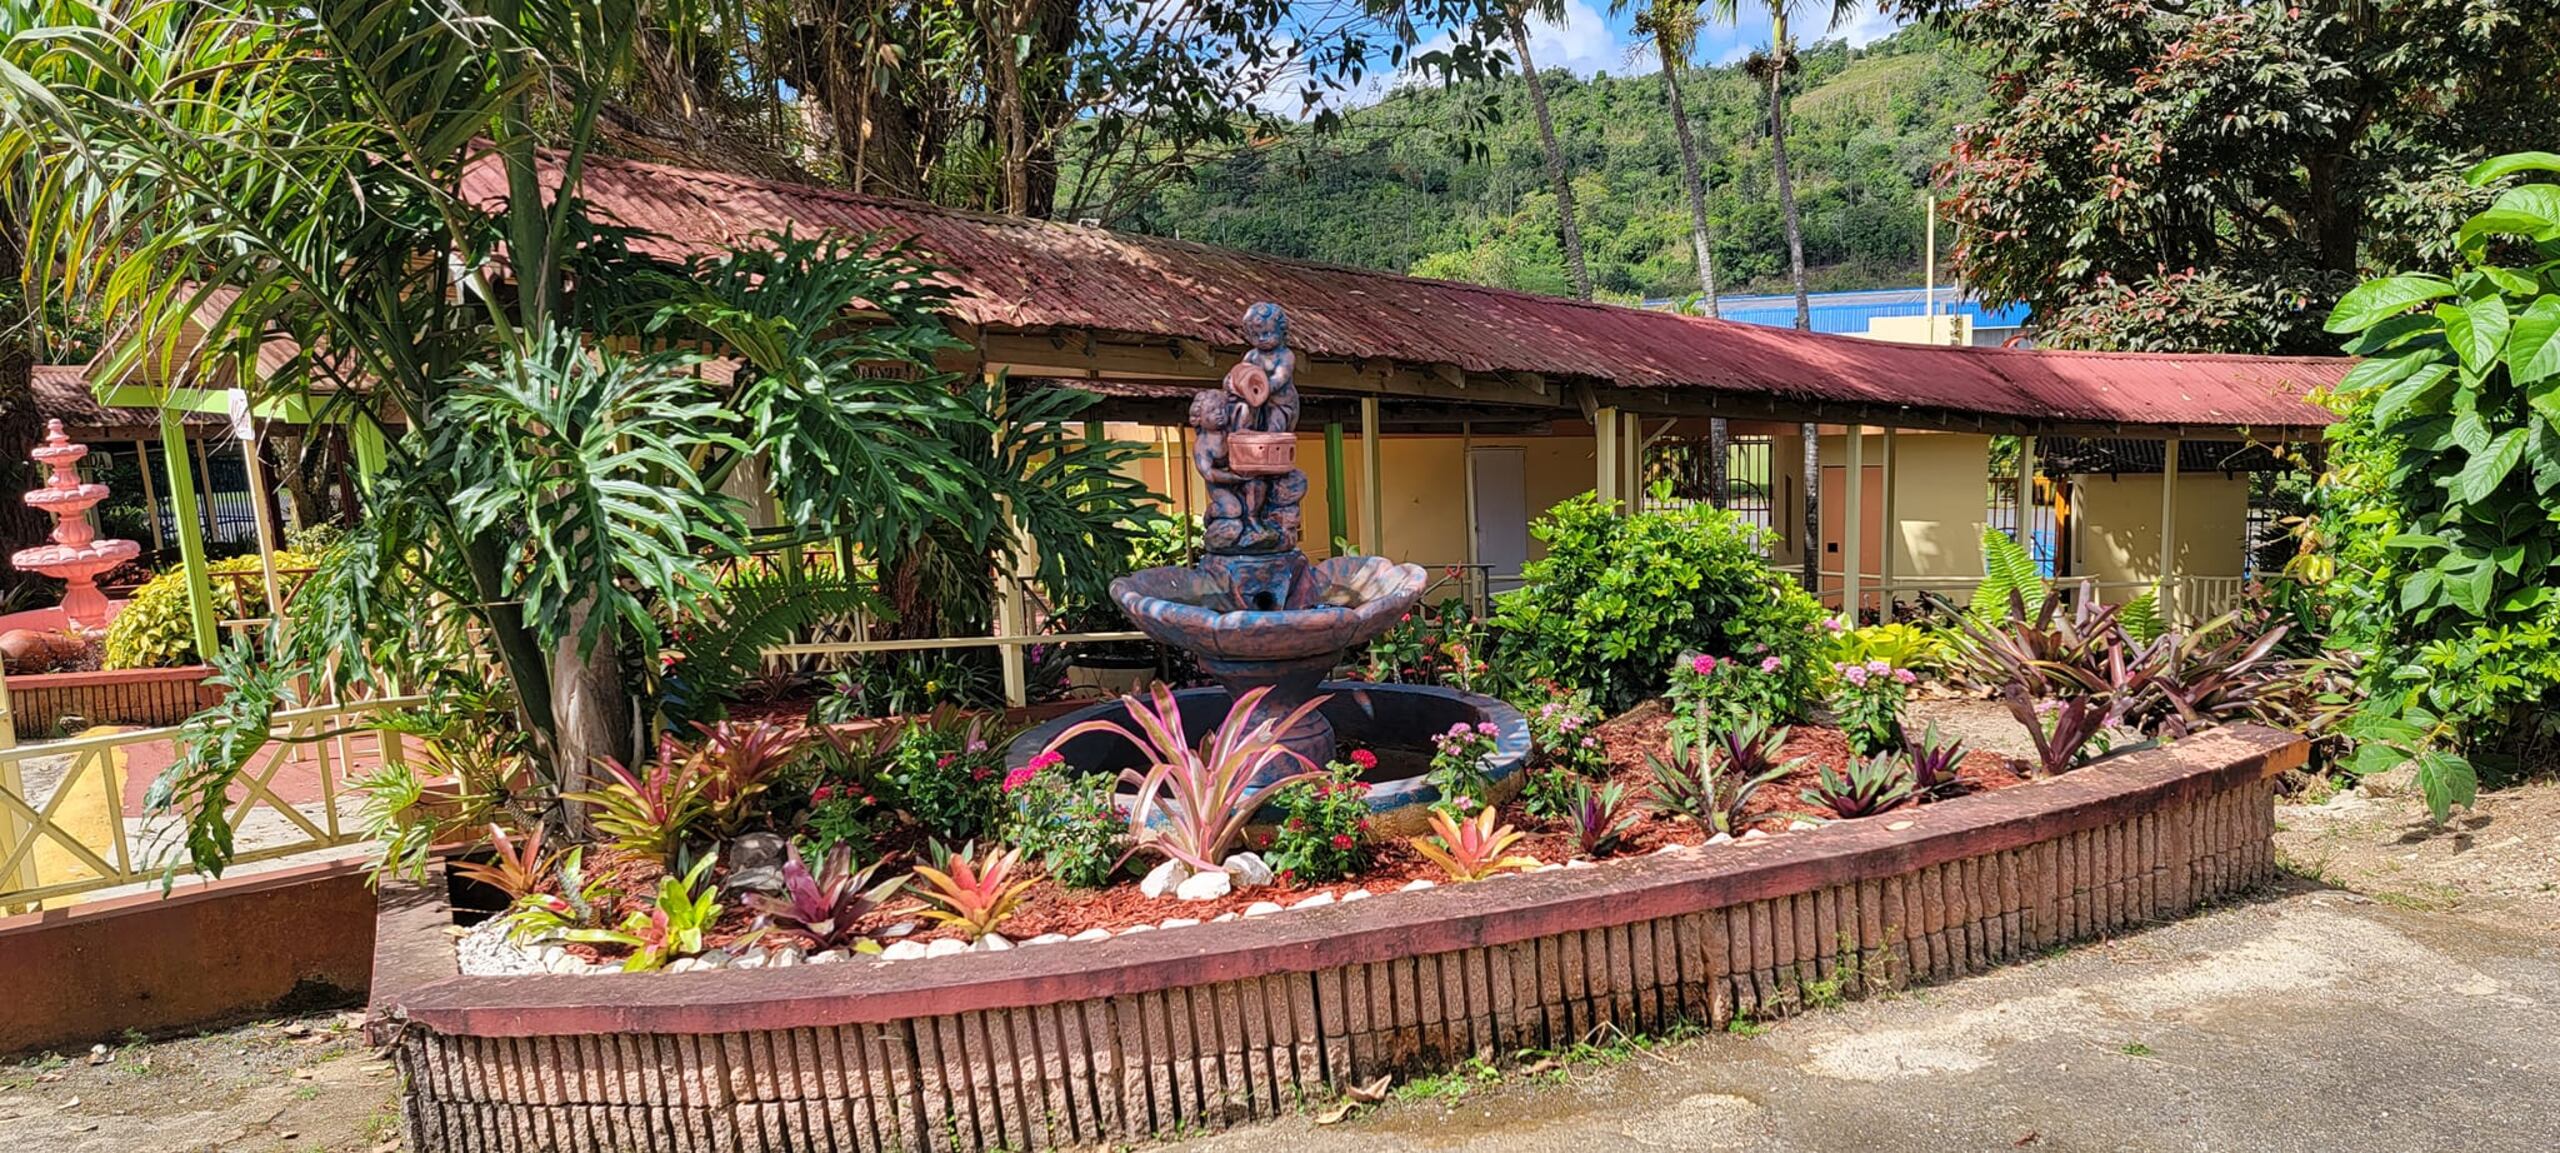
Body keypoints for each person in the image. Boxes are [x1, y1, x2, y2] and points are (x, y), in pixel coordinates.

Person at [1234, 302, 1301, 433]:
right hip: (1257, 404)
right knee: (1243, 413)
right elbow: (1240, 374)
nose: (1262, 339)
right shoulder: (1252, 355)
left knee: (1275, 430)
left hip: (1280, 403)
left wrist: (1262, 388)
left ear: (1281, 329)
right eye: (1256, 336)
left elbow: (1280, 378)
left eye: (1267, 333)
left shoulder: (1286, 355)